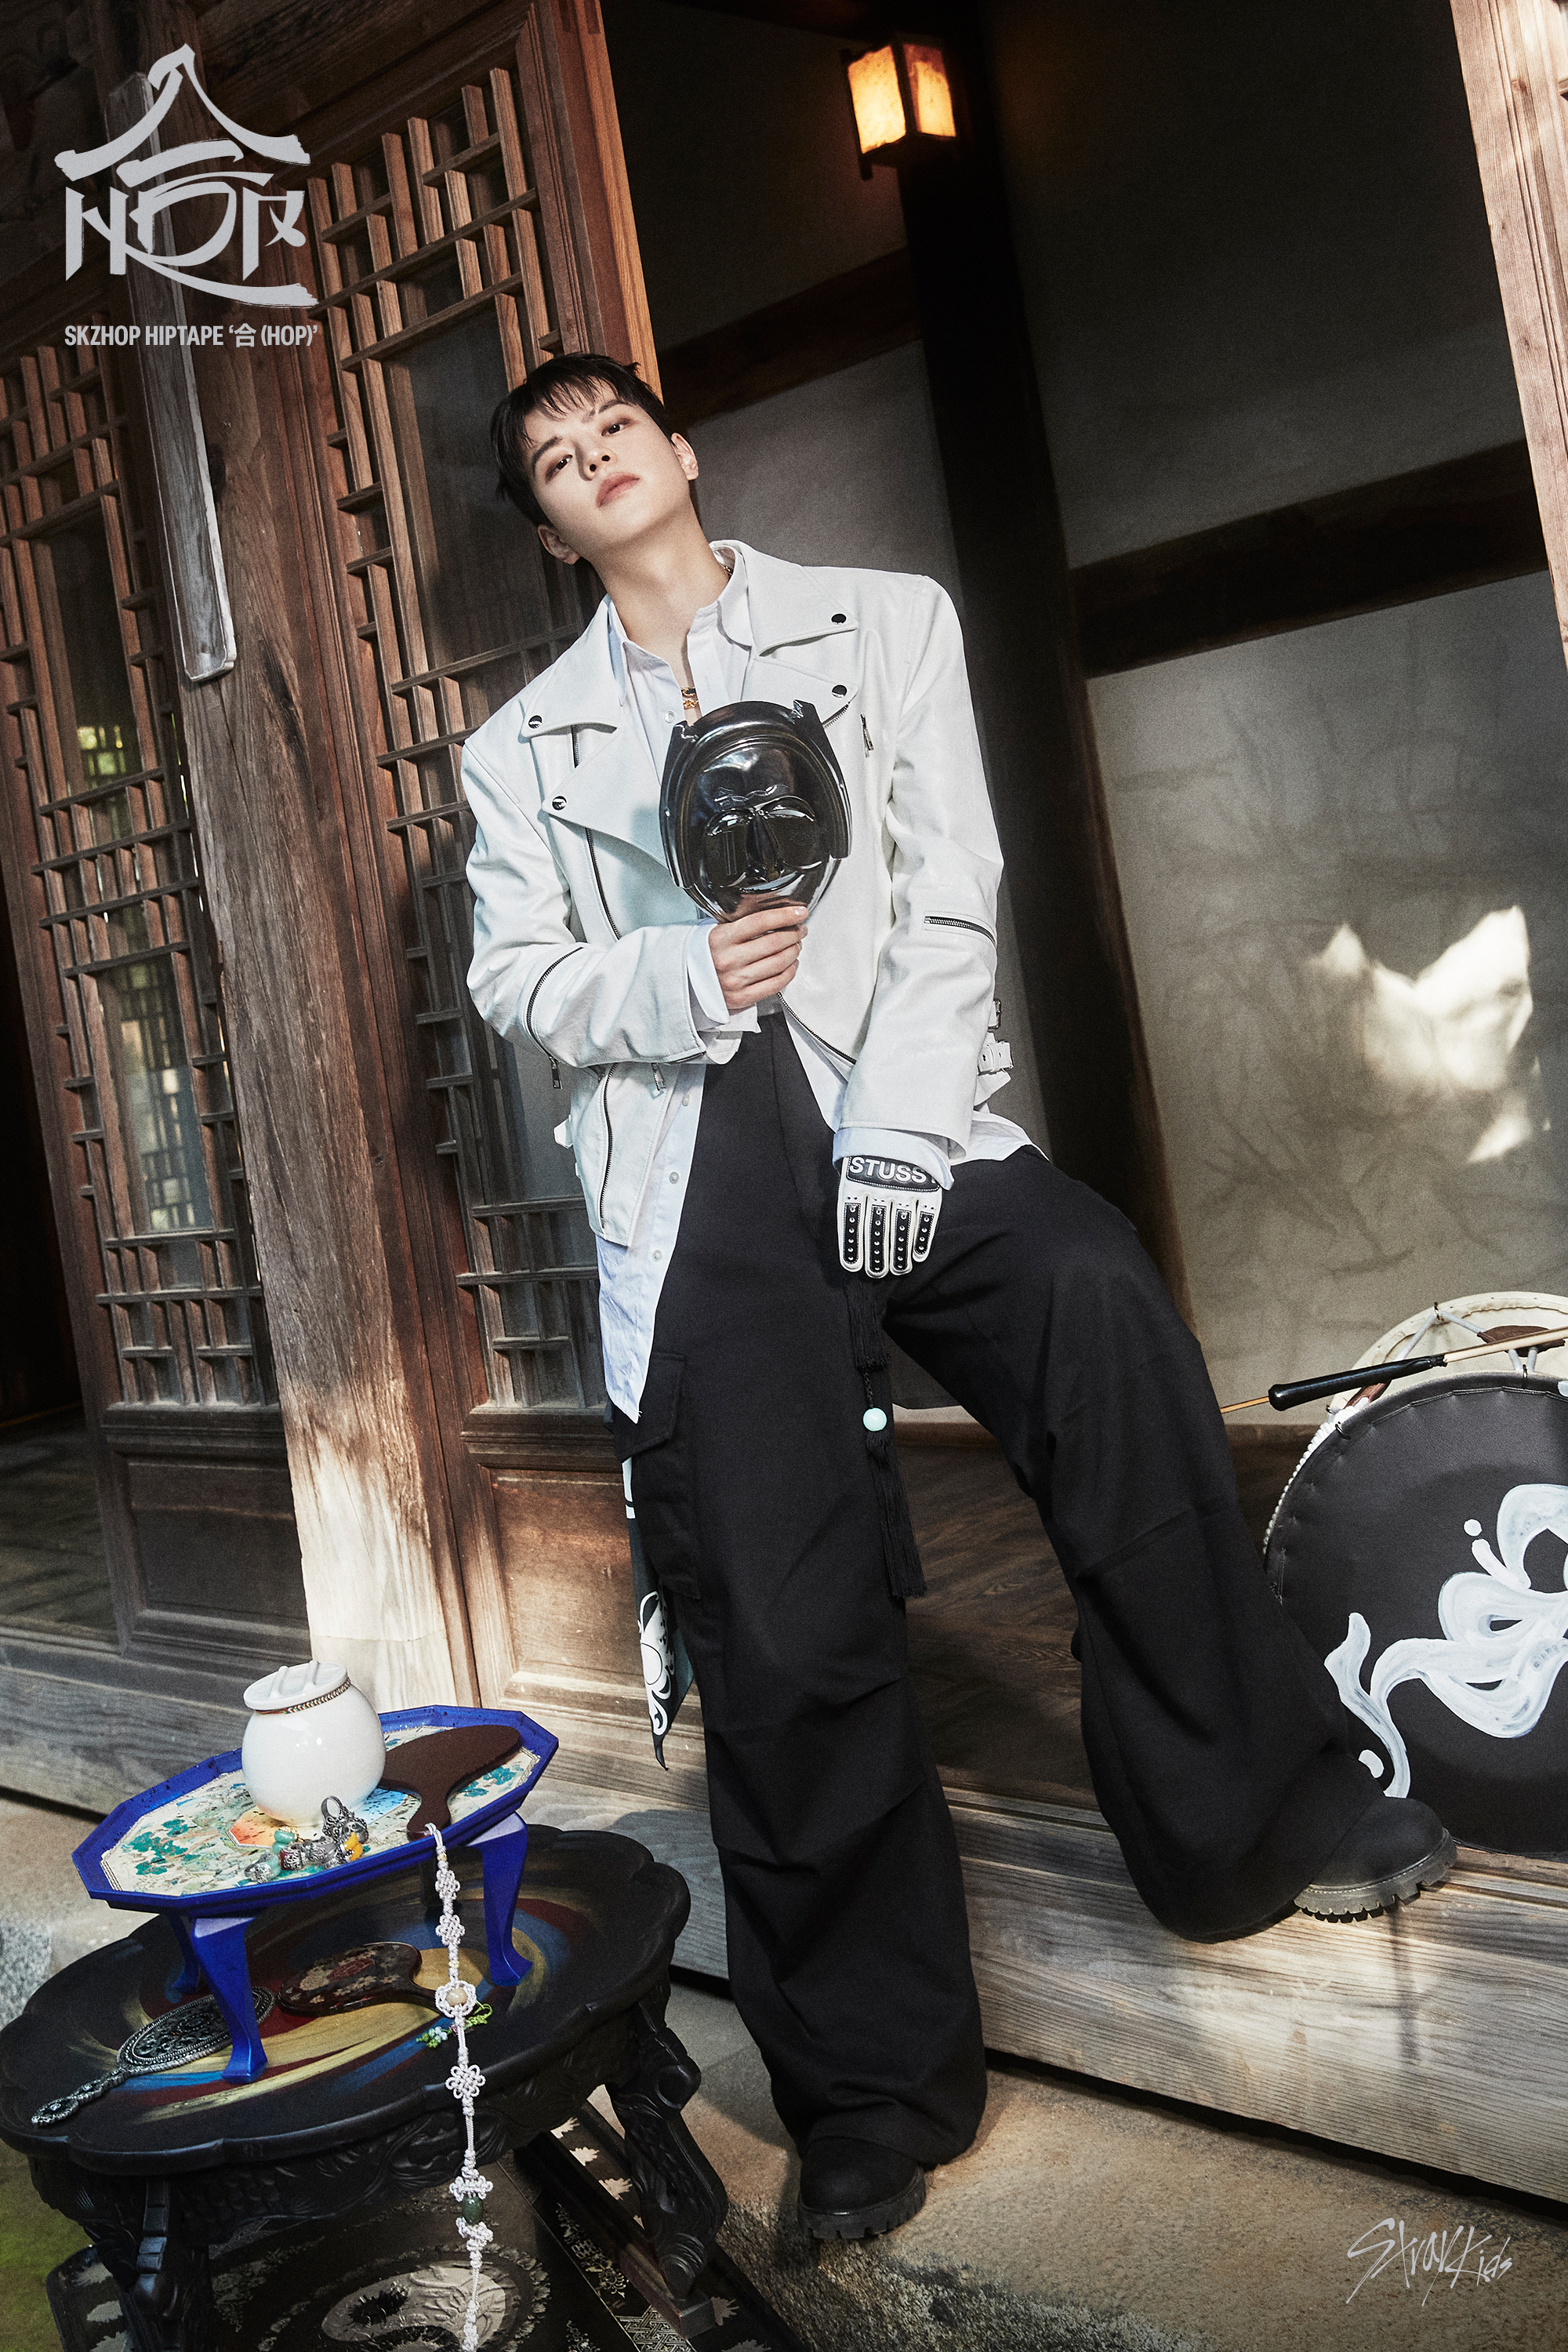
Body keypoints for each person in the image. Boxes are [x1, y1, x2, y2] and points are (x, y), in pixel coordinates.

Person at [461, 354, 1456, 2243]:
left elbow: (947, 884)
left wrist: (908, 1136)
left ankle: (1253, 1817)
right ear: (552, 529)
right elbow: (520, 978)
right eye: (555, 463)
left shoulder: (881, 620)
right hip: (694, 1148)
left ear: (678, 451)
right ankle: (868, 2092)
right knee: (776, 1602)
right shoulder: (519, 748)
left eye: (615, 430)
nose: (594, 462)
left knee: (1093, 1306)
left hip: (889, 1091)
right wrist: (679, 977)